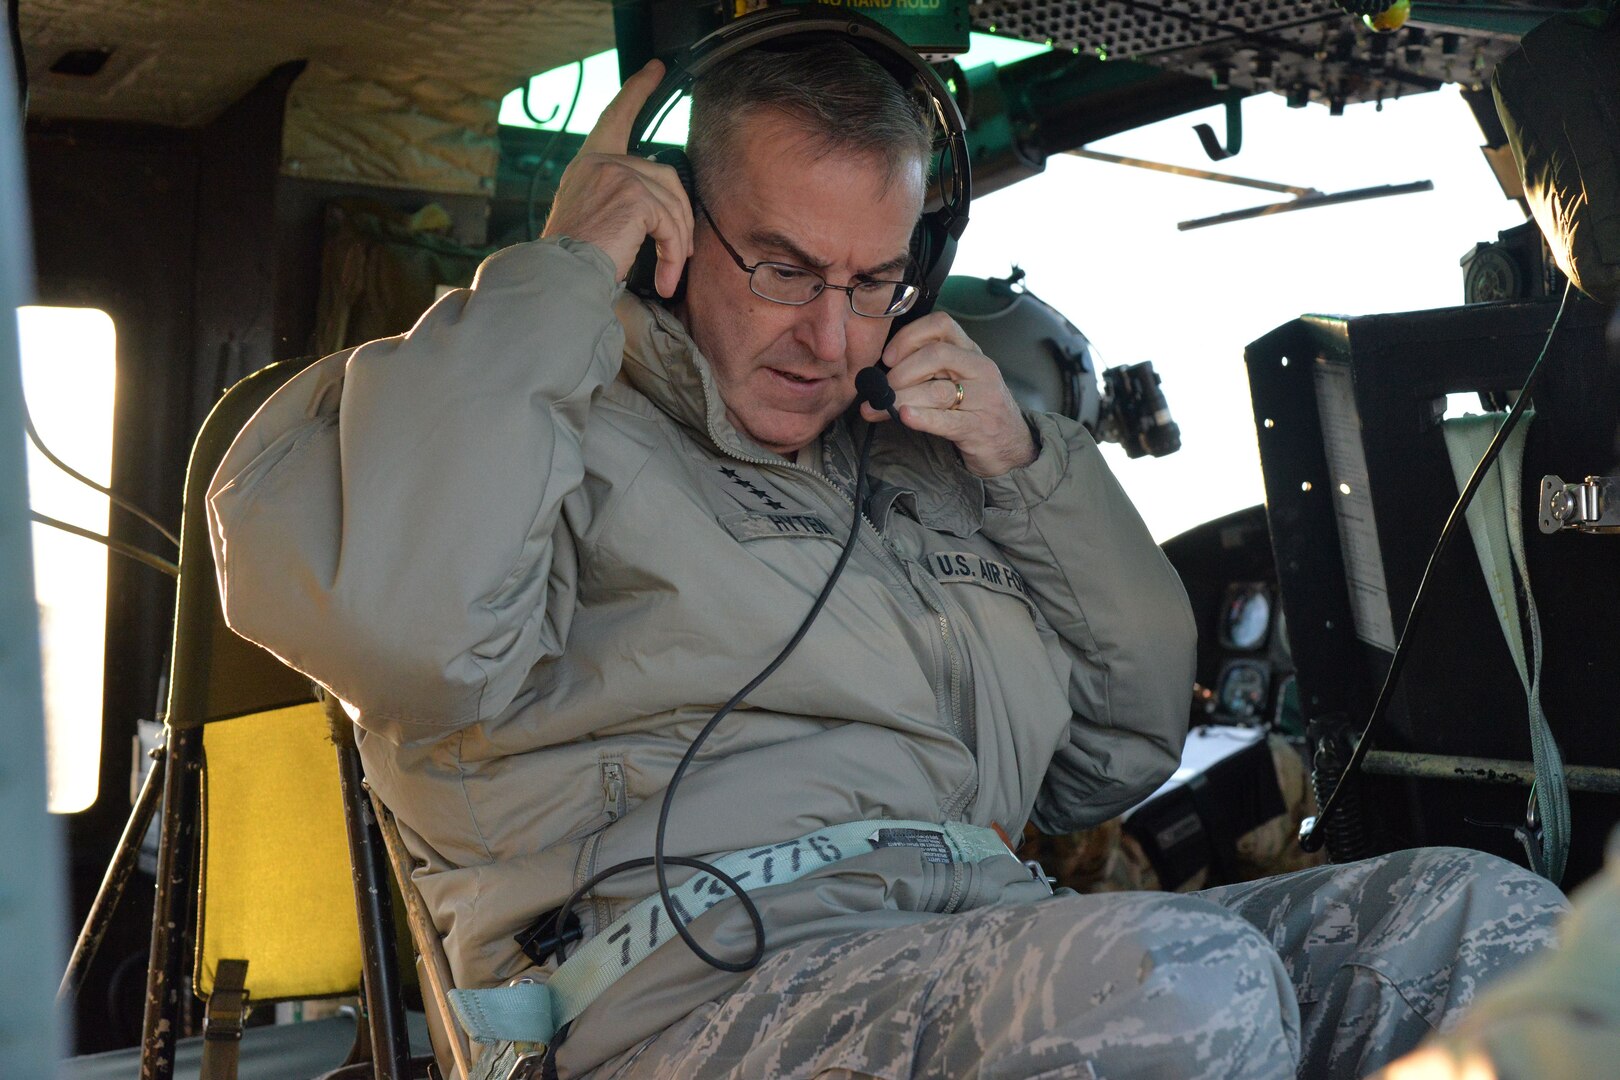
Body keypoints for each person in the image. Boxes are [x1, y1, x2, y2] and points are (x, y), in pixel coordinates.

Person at [207, 36, 1568, 1080]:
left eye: (874, 282)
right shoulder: (513, 423)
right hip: (678, 1009)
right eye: (788, 271)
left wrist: (1029, 471)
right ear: (670, 237)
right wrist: (562, 278)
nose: (834, 338)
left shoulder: (912, 470)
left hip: (980, 939)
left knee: (1485, 927)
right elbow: (413, 637)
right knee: (1172, 981)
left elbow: (1123, 742)